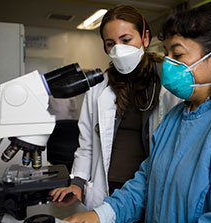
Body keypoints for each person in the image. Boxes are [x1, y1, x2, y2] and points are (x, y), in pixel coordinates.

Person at [63, 6, 211, 223]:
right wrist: (102, 215)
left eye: (178, 55)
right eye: (166, 53)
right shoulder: (175, 117)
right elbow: (145, 182)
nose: (168, 63)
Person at [50, 5, 181, 210]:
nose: (118, 49)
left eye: (126, 40)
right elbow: (87, 144)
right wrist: (77, 183)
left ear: (145, 38)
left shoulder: (168, 82)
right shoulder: (99, 87)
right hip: (108, 189)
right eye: (111, 43)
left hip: (149, 191)